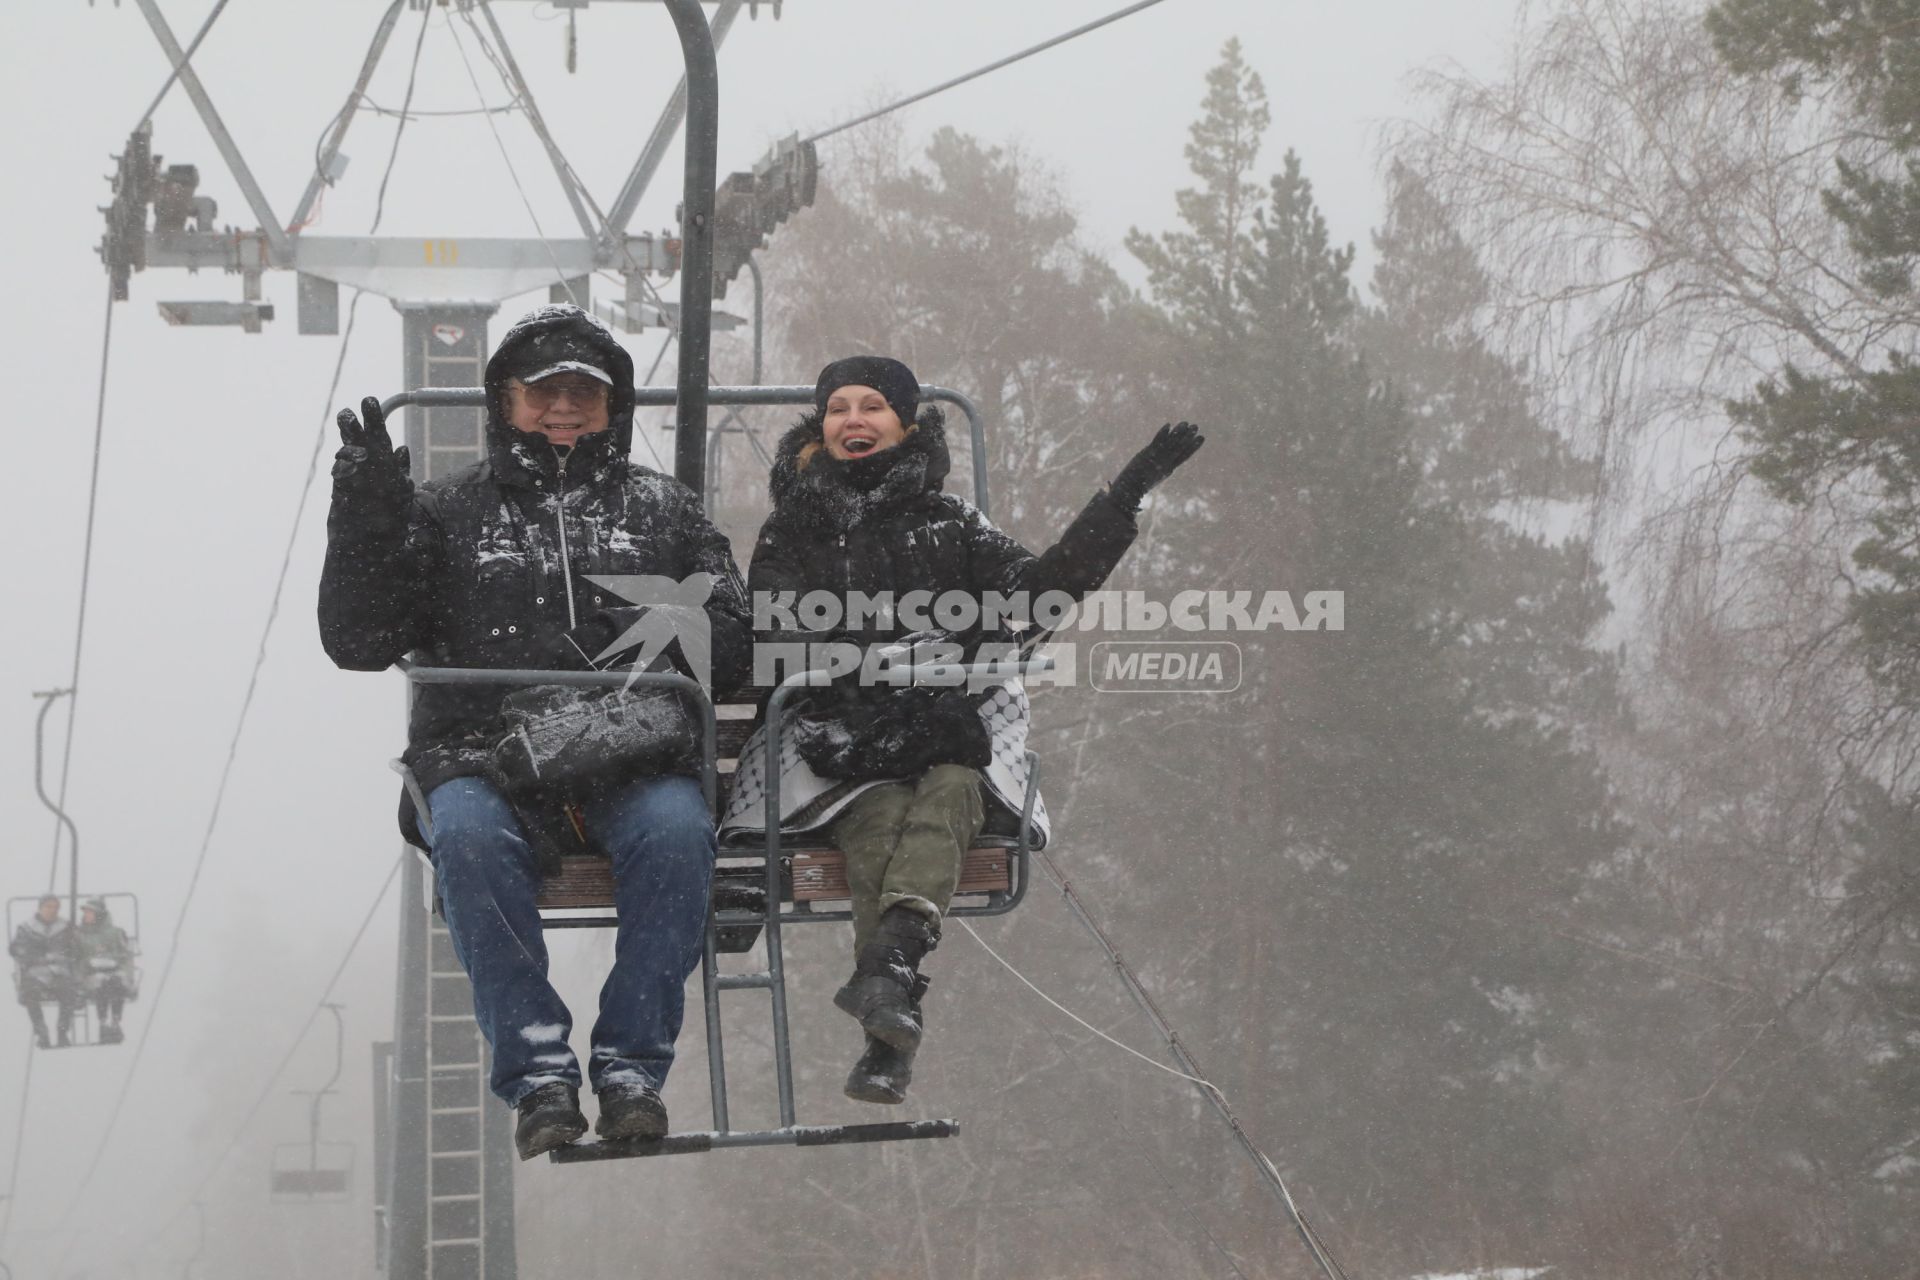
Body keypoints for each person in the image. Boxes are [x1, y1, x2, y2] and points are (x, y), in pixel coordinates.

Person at [318, 304, 752, 1159]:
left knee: (675, 833)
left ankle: (631, 1065)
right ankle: (540, 1070)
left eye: (583, 392)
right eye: (543, 389)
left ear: (612, 407)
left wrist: (666, 644)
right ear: (504, 401)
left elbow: (730, 643)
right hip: (486, 758)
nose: (563, 406)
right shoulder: (445, 514)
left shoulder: (661, 510)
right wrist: (367, 523)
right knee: (470, 840)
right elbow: (358, 642)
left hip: (629, 753)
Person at [742, 355, 1203, 1103]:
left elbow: (1041, 594)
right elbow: (777, 629)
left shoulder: (951, 525)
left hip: (938, 732)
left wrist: (1120, 501)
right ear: (821, 426)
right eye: (838, 409)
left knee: (954, 790)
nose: (853, 420)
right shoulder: (794, 529)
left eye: (872, 407)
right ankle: (889, 1004)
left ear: (904, 422)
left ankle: (888, 999)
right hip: (845, 738)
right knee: (882, 818)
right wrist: (879, 666)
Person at [11, 895, 79, 1049]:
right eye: (48, 907)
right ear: (40, 908)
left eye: (55, 907)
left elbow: (75, 950)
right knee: (29, 992)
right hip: (36, 970)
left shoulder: (65, 927)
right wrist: (35, 957)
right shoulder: (27, 928)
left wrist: (65, 955)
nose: (52, 910)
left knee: (69, 991)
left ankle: (62, 1031)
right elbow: (17, 949)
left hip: (59, 970)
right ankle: (42, 1031)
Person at [76, 897, 135, 1044]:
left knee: (116, 981)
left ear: (99, 915)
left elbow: (125, 955)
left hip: (113, 970)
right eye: (86, 912)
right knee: (102, 983)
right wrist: (87, 965)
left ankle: (115, 1022)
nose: (87, 915)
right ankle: (103, 1022)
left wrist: (112, 960)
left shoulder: (115, 933)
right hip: (90, 974)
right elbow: (76, 957)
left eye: (90, 912)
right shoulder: (79, 935)